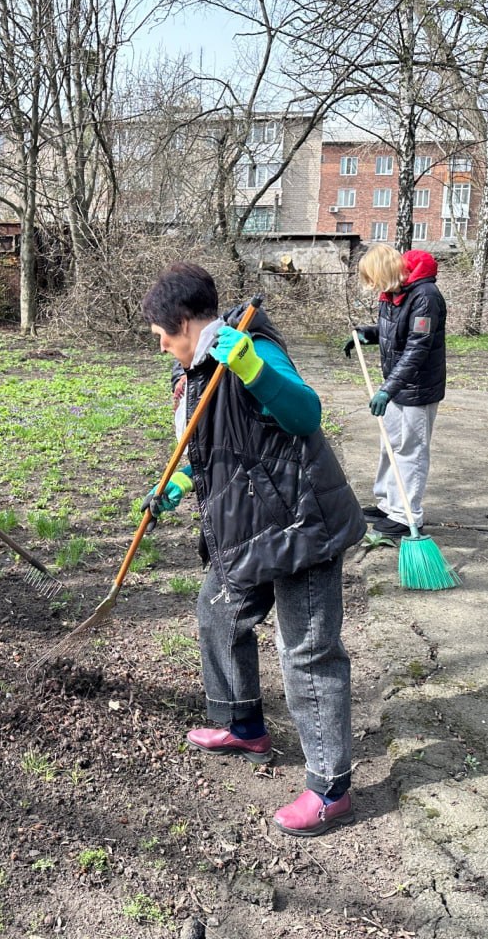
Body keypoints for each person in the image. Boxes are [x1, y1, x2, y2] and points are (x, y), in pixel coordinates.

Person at [140, 262, 366, 837]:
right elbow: (210, 452)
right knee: (218, 613)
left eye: (162, 334)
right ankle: (242, 724)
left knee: (308, 651)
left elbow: (306, 414)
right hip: (248, 529)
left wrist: (253, 369)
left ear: (186, 322)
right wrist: (178, 484)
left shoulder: (251, 349)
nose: (160, 345)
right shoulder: (194, 374)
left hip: (301, 526)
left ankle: (330, 788)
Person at [343, 244, 447, 538]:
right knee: (389, 446)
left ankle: (406, 515)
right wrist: (368, 334)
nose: (374, 286)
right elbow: (394, 331)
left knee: (410, 450)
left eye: (374, 279)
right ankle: (389, 505)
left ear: (385, 272)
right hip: (397, 384)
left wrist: (387, 390)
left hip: (417, 388)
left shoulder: (426, 296)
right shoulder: (393, 294)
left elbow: (417, 348)